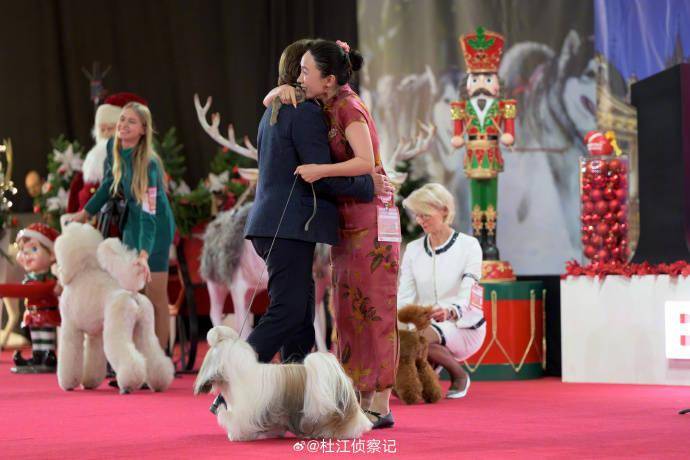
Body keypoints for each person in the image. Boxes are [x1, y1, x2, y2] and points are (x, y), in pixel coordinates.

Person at [243, 39, 393, 366]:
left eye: (306, 70)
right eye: (302, 69)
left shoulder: (276, 108)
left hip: (276, 224)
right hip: (288, 226)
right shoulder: (305, 112)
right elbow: (319, 174)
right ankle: (231, 374)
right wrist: (368, 184)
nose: (303, 76)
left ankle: (295, 386)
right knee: (289, 311)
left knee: (301, 316)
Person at [287, 39, 400, 429]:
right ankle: (360, 396)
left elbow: (365, 162)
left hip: (372, 221)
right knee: (349, 310)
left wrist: (321, 170)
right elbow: (280, 94)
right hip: (348, 221)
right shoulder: (327, 104)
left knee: (375, 308)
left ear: (329, 79)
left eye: (306, 71)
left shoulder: (349, 106)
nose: (300, 78)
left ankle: (381, 402)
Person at [69, 101, 175, 351]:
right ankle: (135, 356)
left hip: (155, 228)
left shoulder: (149, 165)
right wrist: (85, 213)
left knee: (155, 295)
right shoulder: (112, 147)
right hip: (132, 224)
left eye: (131, 121)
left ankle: (159, 359)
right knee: (133, 296)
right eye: (122, 119)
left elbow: (149, 214)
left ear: (143, 130)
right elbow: (108, 184)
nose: (123, 125)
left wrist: (144, 254)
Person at [398, 183, 486, 398]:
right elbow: (405, 296)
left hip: (464, 326)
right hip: (425, 327)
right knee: (404, 342)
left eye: (425, 214)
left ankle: (459, 375)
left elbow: (469, 288)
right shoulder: (413, 249)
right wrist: (399, 325)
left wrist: (451, 311)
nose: (420, 220)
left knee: (416, 339)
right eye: (417, 215)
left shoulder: (469, 245)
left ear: (444, 211)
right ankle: (428, 364)